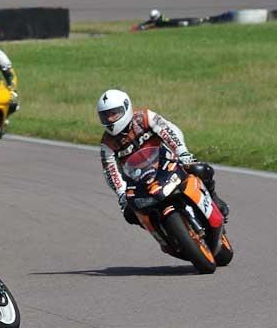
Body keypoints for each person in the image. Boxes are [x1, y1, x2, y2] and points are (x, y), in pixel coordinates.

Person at [97, 89, 229, 228]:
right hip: (138, 180)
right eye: (105, 116)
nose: (110, 119)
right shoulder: (107, 144)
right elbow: (111, 172)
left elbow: (168, 131)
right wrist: (121, 194)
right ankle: (164, 235)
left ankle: (214, 199)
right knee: (130, 214)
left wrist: (182, 153)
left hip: (166, 163)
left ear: (126, 107)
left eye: (113, 113)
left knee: (200, 170)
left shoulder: (145, 117)